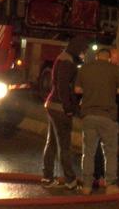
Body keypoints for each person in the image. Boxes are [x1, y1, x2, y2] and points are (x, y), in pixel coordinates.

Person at [74, 48, 119, 195]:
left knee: (88, 152)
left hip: (89, 116)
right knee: (110, 153)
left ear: (97, 57)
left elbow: (77, 89)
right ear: (109, 58)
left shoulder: (85, 68)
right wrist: (111, 90)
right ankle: (110, 185)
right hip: (107, 116)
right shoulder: (114, 69)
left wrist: (91, 90)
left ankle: (86, 186)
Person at [41, 35, 86, 190]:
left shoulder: (63, 58)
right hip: (60, 108)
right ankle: (70, 181)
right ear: (77, 48)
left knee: (52, 143)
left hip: (52, 105)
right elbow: (63, 87)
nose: (84, 54)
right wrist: (68, 108)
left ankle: (47, 177)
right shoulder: (67, 62)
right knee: (64, 146)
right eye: (83, 51)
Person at [93, 47, 119, 188]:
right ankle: (96, 175)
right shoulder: (104, 71)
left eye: (115, 58)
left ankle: (107, 177)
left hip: (115, 115)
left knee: (109, 147)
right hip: (101, 113)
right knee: (97, 145)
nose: (112, 60)